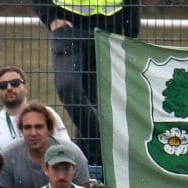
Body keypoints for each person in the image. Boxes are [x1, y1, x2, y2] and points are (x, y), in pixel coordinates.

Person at [32, 0, 141, 161]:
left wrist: (130, 33)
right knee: (68, 87)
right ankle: (105, 147)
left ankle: (89, 168)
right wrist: (50, 17)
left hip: (110, 29)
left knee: (96, 103)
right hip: (67, 26)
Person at [0, 102, 89, 188]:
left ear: (49, 129)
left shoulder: (73, 154)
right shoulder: (6, 156)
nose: (33, 133)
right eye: (27, 127)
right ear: (21, 131)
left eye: (39, 127)